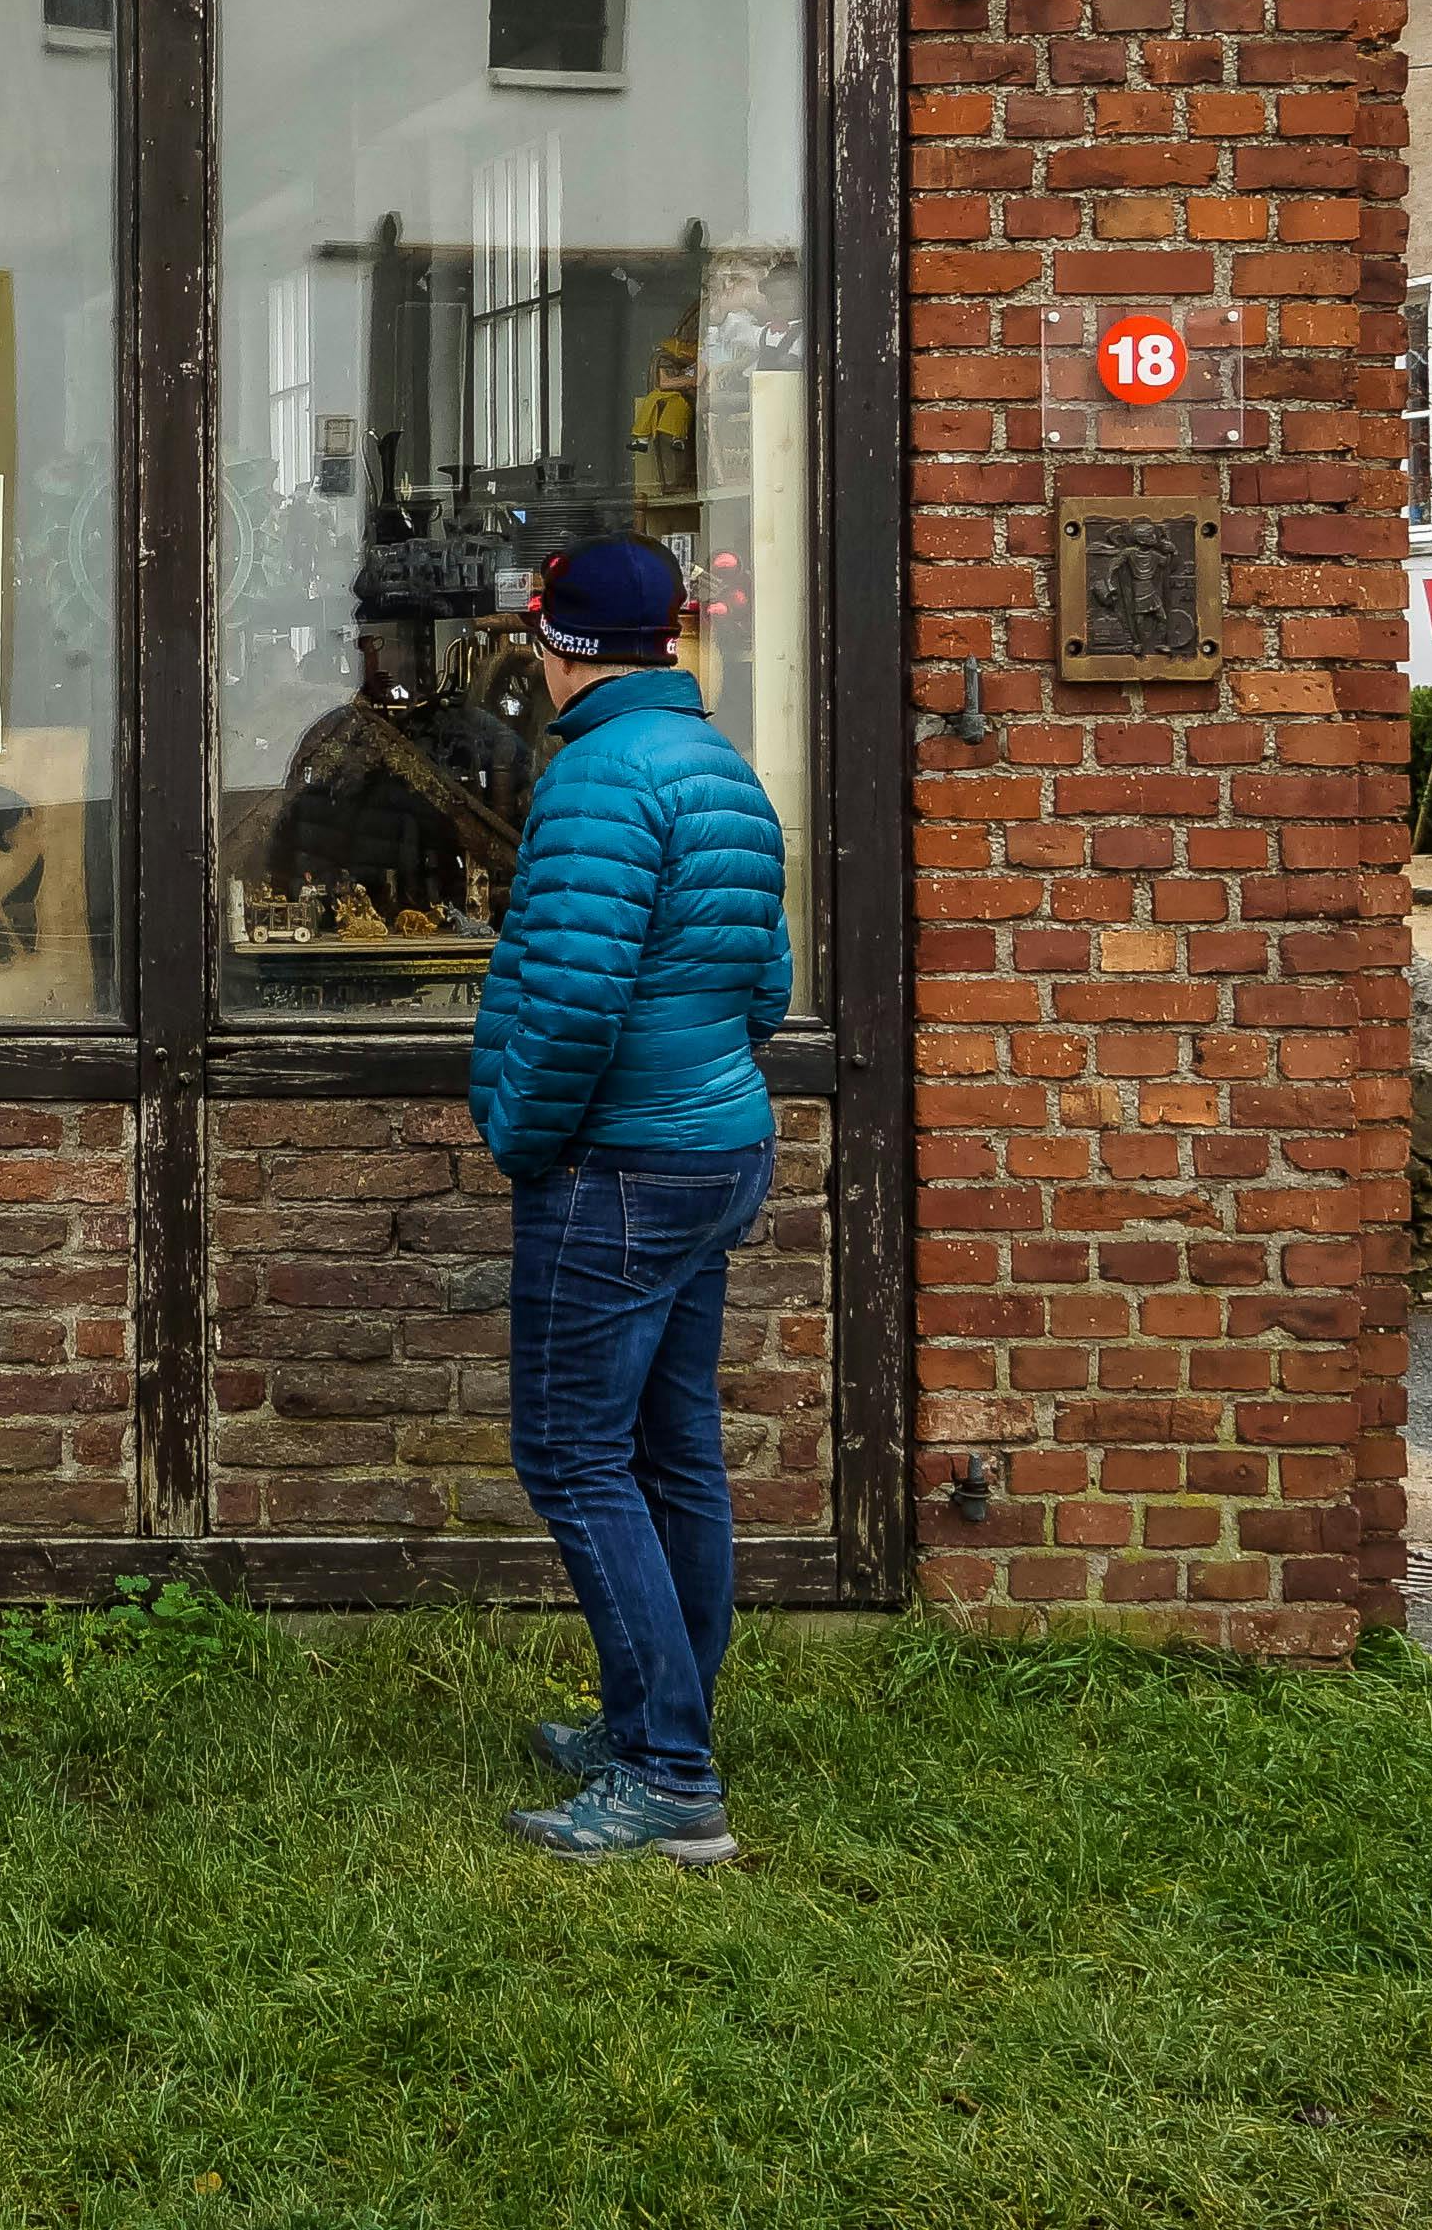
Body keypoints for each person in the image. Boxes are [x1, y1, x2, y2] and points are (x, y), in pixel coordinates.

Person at [467, 532, 790, 1864]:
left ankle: (668, 1775)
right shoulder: (720, 767)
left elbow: (573, 999)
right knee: (672, 1452)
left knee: (571, 1453)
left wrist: (524, 1138)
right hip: (717, 1142)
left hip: (619, 1163)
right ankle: (663, 1717)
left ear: (561, 648)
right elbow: (762, 985)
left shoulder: (597, 781)